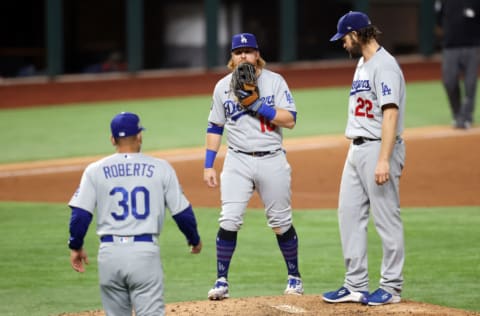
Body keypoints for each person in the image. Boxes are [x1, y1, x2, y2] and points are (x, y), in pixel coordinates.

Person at [68, 112, 202, 316]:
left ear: (112, 139)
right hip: (144, 252)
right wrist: (194, 239)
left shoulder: (94, 170)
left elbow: (80, 214)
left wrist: (75, 246)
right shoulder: (161, 168)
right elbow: (182, 213)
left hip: (109, 254)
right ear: (140, 136)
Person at [203, 33, 303, 300]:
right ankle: (221, 280)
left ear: (257, 54)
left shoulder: (275, 81)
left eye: (249, 51)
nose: (244, 56)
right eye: (239, 52)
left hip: (271, 157)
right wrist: (208, 164)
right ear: (232, 57)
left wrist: (258, 106)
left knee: (281, 222)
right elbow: (215, 126)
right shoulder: (222, 87)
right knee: (229, 219)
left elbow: (290, 120)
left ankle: (294, 277)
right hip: (237, 160)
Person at [322, 11, 406, 306]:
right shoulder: (362, 63)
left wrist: (384, 159)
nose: (343, 44)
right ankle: (355, 284)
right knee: (348, 214)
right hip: (356, 150)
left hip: (377, 149)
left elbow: (390, 113)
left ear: (357, 35)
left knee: (386, 217)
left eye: (344, 38)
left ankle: (391, 287)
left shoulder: (385, 66)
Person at [434, 0, 480, 129]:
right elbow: (438, 20)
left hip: (472, 47)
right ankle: (457, 114)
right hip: (450, 46)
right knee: (449, 81)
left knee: (470, 84)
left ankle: (466, 117)